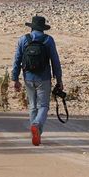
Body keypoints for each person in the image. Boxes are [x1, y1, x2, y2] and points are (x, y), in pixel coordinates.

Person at [11, 14, 63, 146]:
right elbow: (55, 61)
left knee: (33, 106)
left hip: (28, 77)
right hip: (44, 78)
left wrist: (15, 79)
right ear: (43, 28)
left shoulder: (23, 39)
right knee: (44, 106)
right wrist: (59, 79)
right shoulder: (48, 40)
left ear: (32, 27)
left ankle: (35, 133)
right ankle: (37, 125)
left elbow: (17, 60)